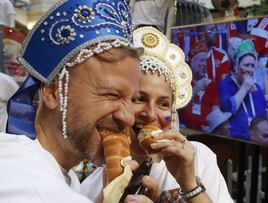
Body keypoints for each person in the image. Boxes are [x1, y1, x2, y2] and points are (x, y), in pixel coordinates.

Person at [0, 0, 159, 202]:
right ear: (53, 92)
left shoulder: (61, 173)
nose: (128, 118)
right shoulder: (23, 177)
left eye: (133, 99)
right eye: (111, 95)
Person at [82, 26, 233, 203]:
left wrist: (190, 184)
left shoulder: (198, 159)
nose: (151, 114)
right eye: (139, 99)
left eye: (163, 104)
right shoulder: (96, 184)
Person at [218, 39, 267, 139]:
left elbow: (263, 115)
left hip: (258, 138)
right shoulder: (225, 84)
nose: (250, 70)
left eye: (252, 66)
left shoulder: (257, 88)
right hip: (236, 137)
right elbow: (228, 110)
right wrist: (244, 88)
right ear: (236, 66)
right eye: (246, 65)